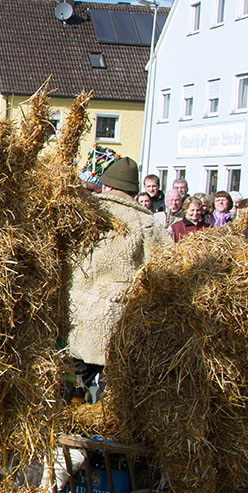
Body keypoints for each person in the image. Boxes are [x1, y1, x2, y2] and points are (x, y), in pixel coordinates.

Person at [68, 156, 169, 399]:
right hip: (120, 327)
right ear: (134, 191)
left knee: (72, 386)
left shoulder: (87, 215)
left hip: (77, 321)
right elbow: (165, 274)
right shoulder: (149, 225)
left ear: (108, 186)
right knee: (112, 396)